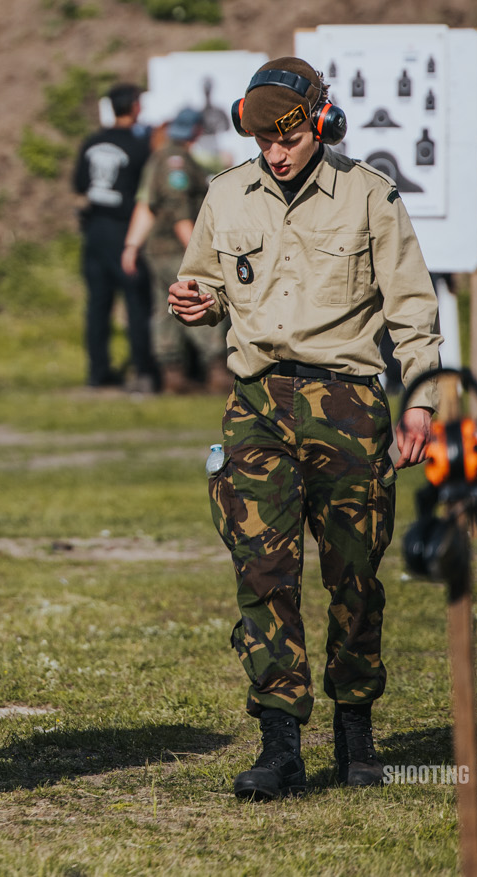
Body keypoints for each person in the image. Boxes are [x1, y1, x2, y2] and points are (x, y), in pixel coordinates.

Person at [168, 59, 439, 801]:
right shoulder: (226, 194)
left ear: (322, 120)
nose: (275, 151)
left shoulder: (370, 194)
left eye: (286, 134)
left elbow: (412, 307)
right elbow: (209, 284)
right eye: (261, 137)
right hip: (257, 401)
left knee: (354, 575)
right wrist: (198, 302)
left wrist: (421, 400)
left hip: (348, 402)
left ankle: (355, 729)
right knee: (262, 572)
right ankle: (280, 740)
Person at [125, 107, 227, 393]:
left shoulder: (159, 157)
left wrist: (131, 245)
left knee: (164, 311)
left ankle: (173, 376)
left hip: (159, 250)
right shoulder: (176, 161)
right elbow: (179, 209)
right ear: (195, 130)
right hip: (176, 249)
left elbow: (146, 204)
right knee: (201, 301)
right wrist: (200, 254)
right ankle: (216, 373)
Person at [72, 82, 156, 391]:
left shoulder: (92, 142)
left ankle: (98, 372)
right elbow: (148, 192)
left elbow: (80, 184)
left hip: (94, 231)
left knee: (98, 304)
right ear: (134, 107)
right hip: (124, 231)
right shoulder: (139, 146)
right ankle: (144, 371)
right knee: (136, 302)